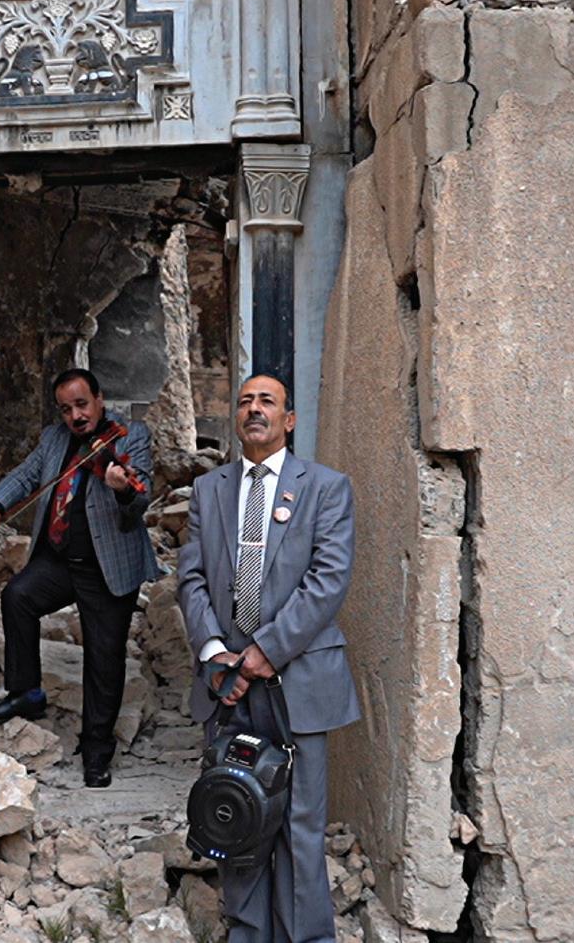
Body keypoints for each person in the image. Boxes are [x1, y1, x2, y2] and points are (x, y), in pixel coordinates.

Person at [177, 374, 360, 943]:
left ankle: (306, 937)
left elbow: (328, 581)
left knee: (300, 820)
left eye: (267, 401)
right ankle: (248, 932)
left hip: (296, 677)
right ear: (236, 418)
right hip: (227, 681)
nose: (254, 409)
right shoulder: (208, 490)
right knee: (235, 808)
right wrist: (215, 654)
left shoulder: (326, 488)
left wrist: (265, 652)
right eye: (245, 401)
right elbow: (191, 578)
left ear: (289, 420)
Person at [0, 368, 160, 787]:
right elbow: (25, 475)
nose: (75, 416)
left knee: (104, 661)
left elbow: (140, 496)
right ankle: (26, 692)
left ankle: (97, 752)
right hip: (61, 560)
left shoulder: (130, 436)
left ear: (99, 399)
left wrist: (121, 487)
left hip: (108, 566)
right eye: (66, 409)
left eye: (81, 405)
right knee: (18, 596)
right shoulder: (54, 439)